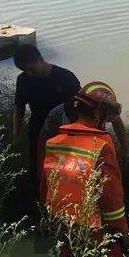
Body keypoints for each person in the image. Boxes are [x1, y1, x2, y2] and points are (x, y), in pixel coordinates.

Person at [41, 81, 129, 257]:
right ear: (98, 112)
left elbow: (46, 187)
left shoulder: (55, 141)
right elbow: (112, 200)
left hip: (61, 221)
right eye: (108, 114)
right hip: (94, 226)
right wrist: (123, 234)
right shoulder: (101, 144)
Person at [12, 44, 80, 186]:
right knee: (38, 172)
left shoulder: (65, 77)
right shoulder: (23, 80)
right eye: (25, 70)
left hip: (64, 135)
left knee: (66, 172)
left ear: (39, 59)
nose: (29, 73)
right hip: (37, 132)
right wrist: (16, 134)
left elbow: (80, 107)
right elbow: (19, 107)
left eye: (31, 69)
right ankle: (40, 201)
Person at [35, 98, 127, 179]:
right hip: (62, 165)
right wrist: (42, 177)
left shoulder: (94, 114)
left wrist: (124, 148)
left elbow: (116, 120)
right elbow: (42, 148)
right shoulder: (56, 117)